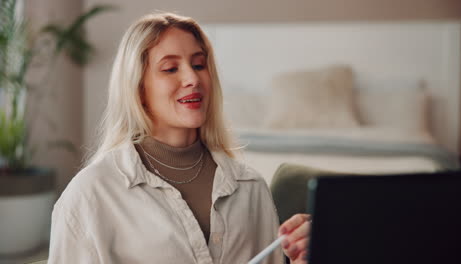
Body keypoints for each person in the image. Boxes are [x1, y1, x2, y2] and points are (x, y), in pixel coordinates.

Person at [48, 12, 310, 264]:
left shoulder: (250, 187)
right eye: (171, 68)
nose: (193, 78)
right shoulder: (91, 194)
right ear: (138, 87)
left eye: (199, 65)